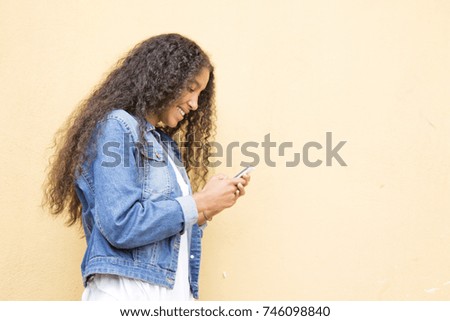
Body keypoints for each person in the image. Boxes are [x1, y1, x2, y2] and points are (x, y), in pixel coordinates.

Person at [43, 33, 250, 300]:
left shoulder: (164, 145)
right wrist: (199, 203)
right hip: (128, 294)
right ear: (165, 77)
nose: (195, 103)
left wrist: (209, 206)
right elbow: (121, 225)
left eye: (201, 94)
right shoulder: (118, 125)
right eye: (191, 87)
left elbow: (162, 233)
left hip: (168, 295)